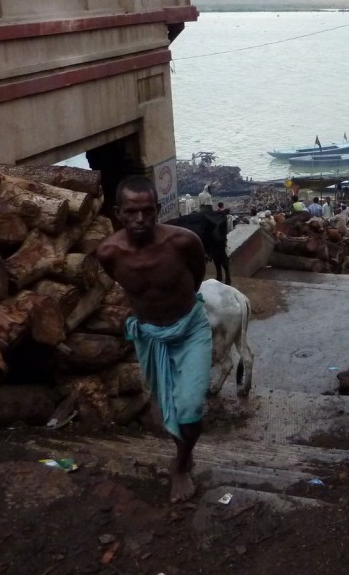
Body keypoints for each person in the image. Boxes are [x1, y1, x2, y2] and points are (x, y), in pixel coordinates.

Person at [95, 175, 209, 503]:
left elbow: (198, 276)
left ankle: (181, 466)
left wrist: (179, 307)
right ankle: (184, 452)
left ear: (158, 209)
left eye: (147, 211)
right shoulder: (109, 253)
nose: (140, 219)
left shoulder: (183, 242)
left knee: (190, 406)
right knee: (169, 408)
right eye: (131, 212)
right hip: (149, 336)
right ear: (118, 213)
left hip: (190, 329)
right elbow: (122, 287)